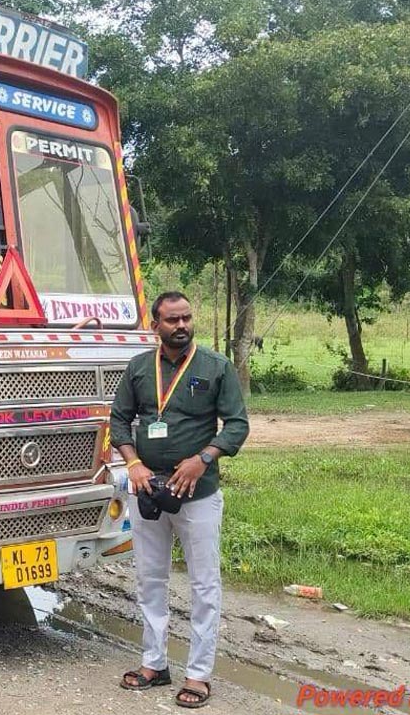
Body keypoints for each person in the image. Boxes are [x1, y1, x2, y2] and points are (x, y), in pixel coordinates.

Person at [110, 291, 249, 709]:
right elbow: (118, 420)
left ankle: (198, 674)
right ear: (156, 326)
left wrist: (203, 458)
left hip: (197, 494)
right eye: (172, 320)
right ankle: (154, 664)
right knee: (150, 579)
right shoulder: (138, 368)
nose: (182, 325)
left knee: (204, 584)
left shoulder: (215, 366)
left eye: (187, 317)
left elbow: (237, 424)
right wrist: (133, 463)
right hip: (149, 492)